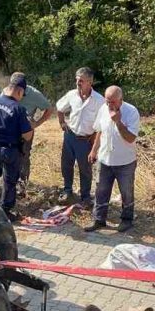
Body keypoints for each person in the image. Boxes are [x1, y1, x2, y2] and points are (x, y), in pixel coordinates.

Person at [84, 85, 140, 233]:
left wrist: (118, 122)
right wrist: (94, 150)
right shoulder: (103, 109)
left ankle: (127, 220)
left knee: (126, 192)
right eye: (107, 101)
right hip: (105, 159)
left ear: (121, 99)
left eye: (112, 102)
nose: (109, 104)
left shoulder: (131, 112)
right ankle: (99, 220)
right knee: (100, 190)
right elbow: (99, 131)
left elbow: (131, 138)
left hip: (125, 162)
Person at [0, 73, 33, 221]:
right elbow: (27, 135)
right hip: (11, 150)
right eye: (22, 95)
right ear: (19, 91)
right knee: (10, 181)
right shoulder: (18, 109)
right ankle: (5, 211)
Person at [55, 67, 105, 206]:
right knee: (66, 165)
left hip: (85, 140)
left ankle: (85, 197)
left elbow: (101, 124)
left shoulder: (99, 100)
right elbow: (59, 107)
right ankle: (67, 191)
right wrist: (61, 122)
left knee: (85, 169)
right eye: (77, 80)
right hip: (70, 136)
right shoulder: (71, 95)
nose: (78, 83)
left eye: (81, 81)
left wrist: (94, 143)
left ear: (90, 82)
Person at [15, 76, 54, 196]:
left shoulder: (34, 94)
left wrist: (36, 123)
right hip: (10, 130)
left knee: (24, 155)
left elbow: (49, 108)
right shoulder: (7, 91)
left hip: (26, 131)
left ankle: (22, 185)